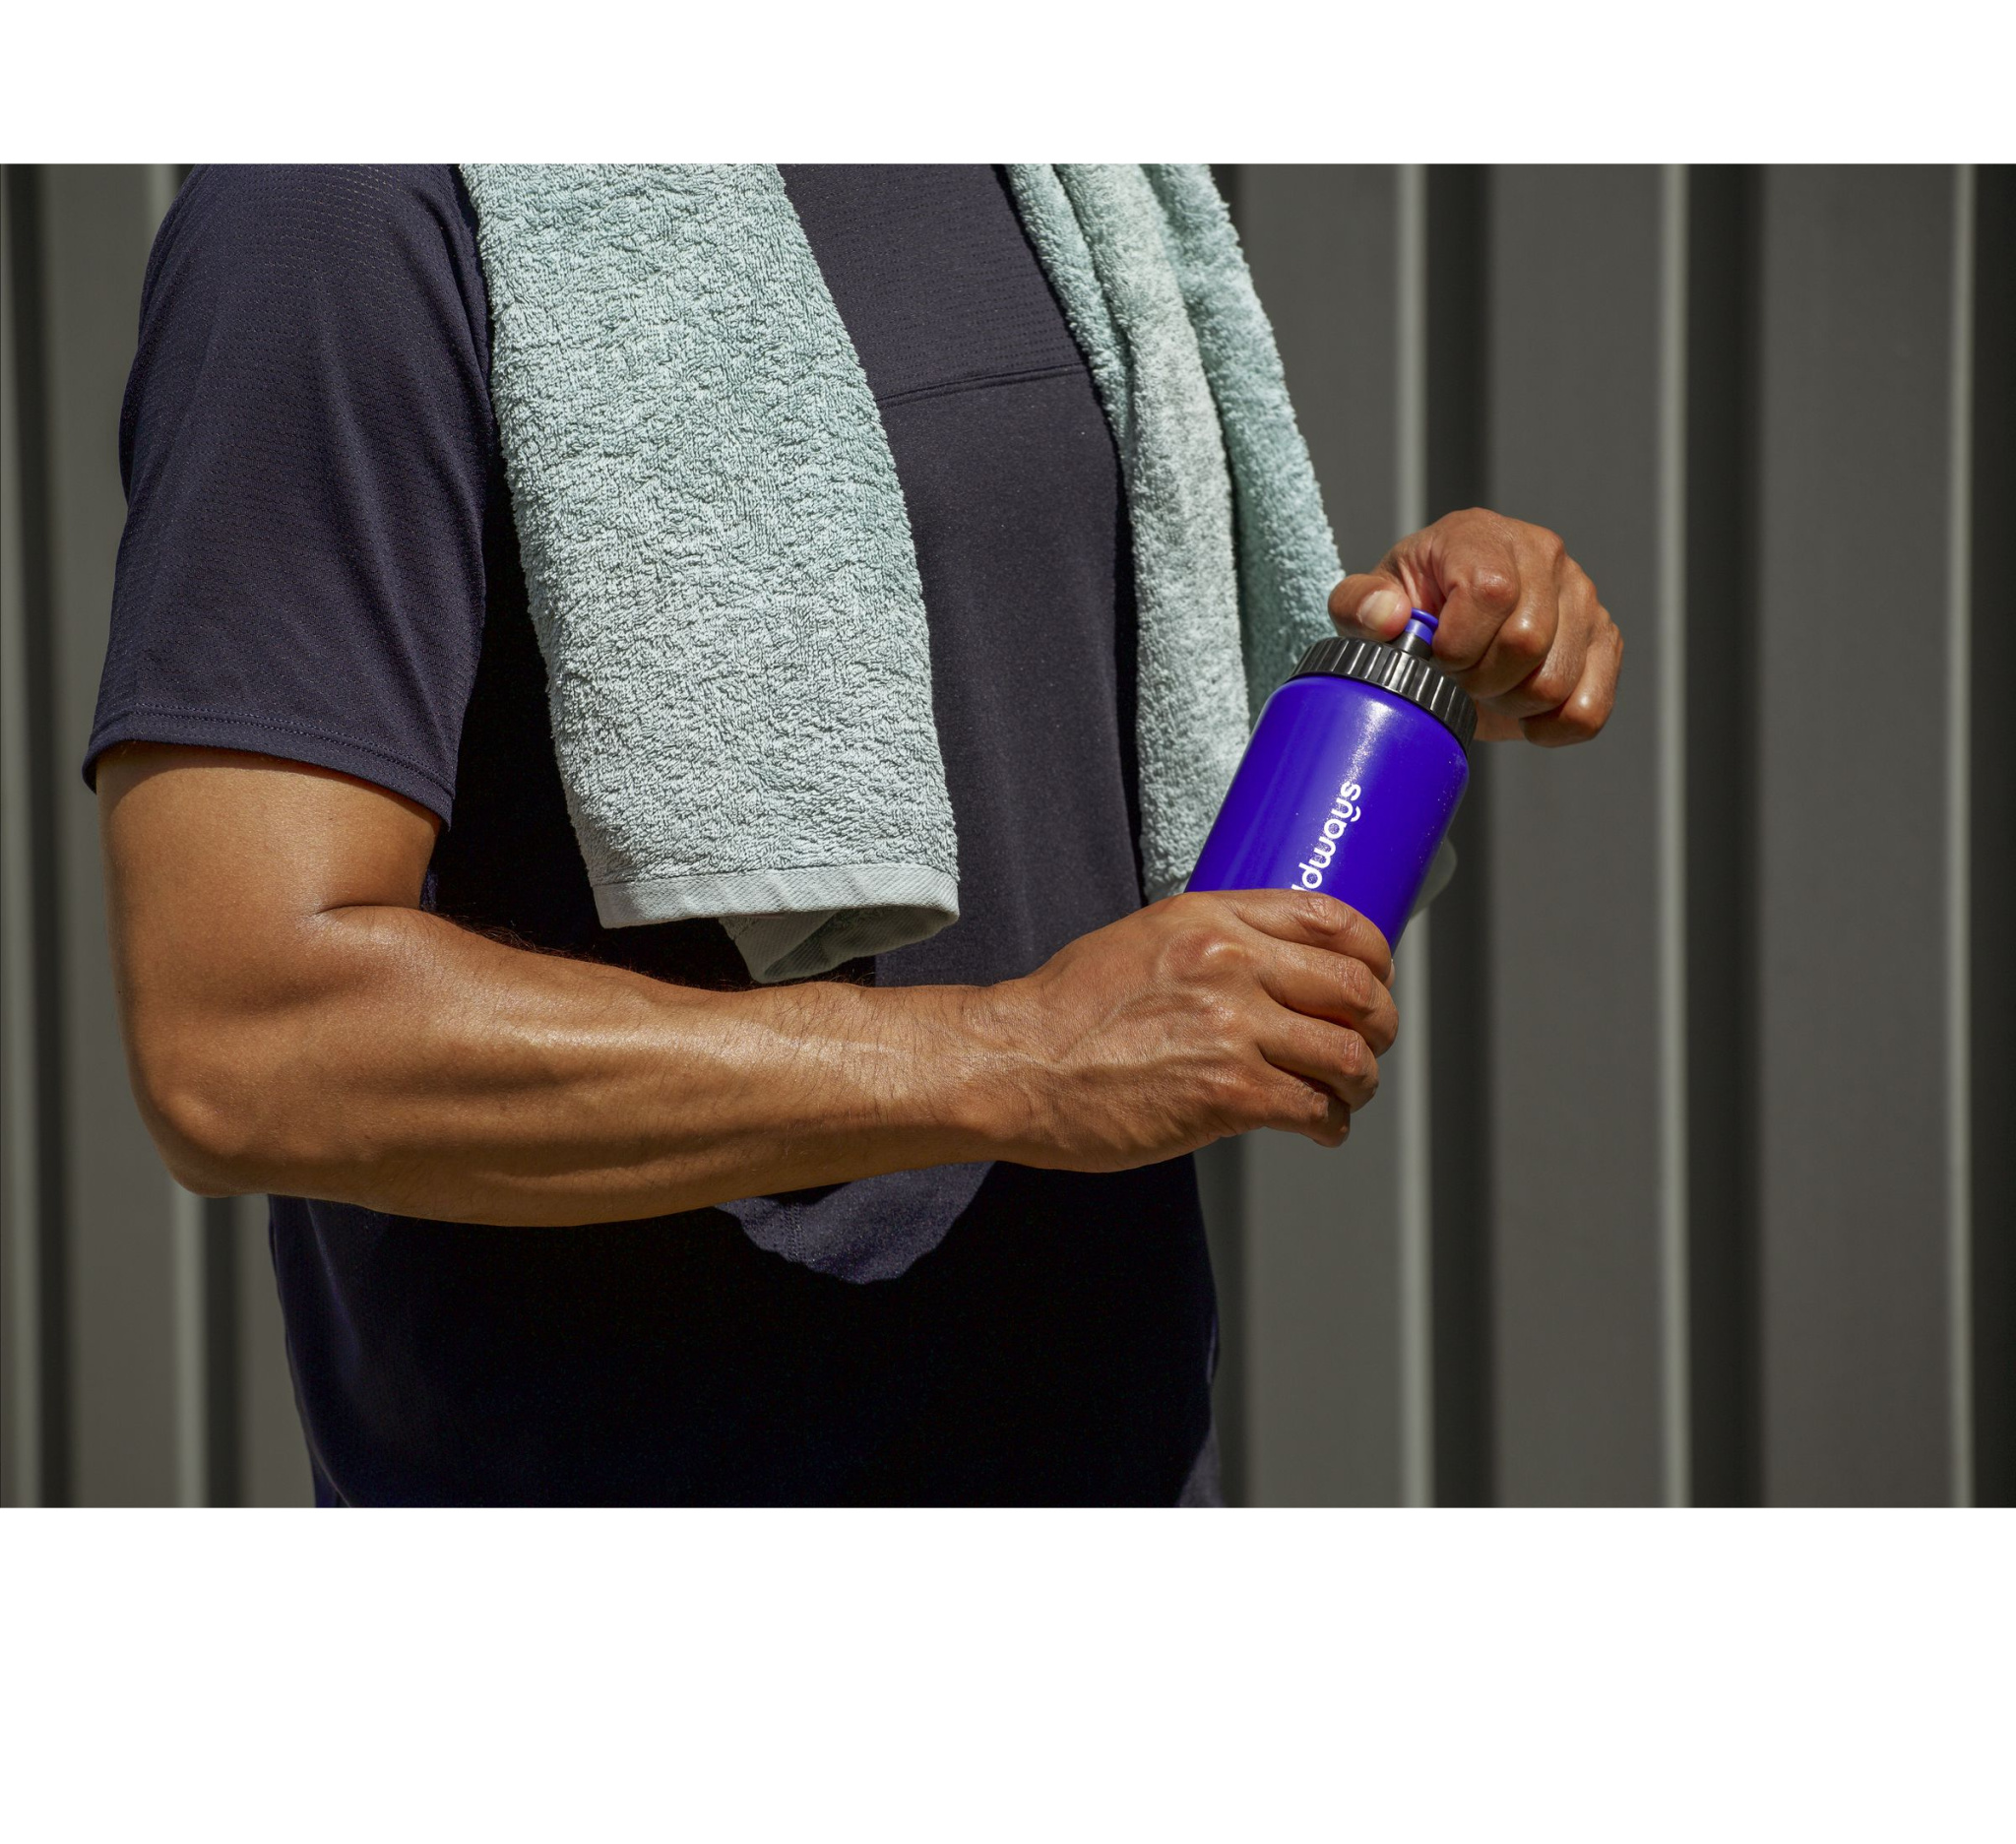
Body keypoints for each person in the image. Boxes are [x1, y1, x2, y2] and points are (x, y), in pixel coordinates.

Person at [90, 165, 1621, 1505]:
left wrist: (1408, 660)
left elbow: (1086, 763)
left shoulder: (1070, 181)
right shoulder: (341, 204)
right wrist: (1013, 1056)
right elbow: (247, 1040)